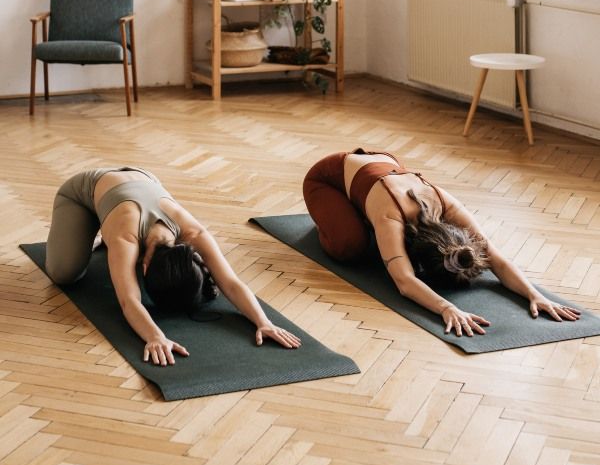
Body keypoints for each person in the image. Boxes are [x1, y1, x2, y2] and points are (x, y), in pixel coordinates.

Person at [303, 149, 581, 337]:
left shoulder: (449, 205)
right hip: (328, 177)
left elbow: (496, 258)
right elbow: (404, 281)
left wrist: (535, 295)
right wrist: (446, 307)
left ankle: (360, 214)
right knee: (351, 246)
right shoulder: (391, 215)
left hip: (382, 163)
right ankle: (336, 217)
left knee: (382, 246)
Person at [46, 167, 301, 365]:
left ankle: (106, 232)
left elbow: (231, 283)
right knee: (64, 273)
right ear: (143, 268)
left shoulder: (194, 233)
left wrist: (263, 322)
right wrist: (155, 337)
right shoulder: (126, 238)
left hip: (141, 179)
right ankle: (96, 234)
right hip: (83, 191)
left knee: (122, 257)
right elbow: (129, 301)